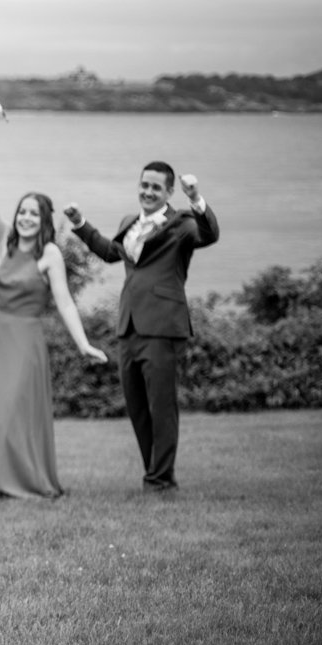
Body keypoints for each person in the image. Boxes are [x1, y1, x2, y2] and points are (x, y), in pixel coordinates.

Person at [0, 132, 107, 499]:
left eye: (33, 214)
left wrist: (83, 343)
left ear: (44, 220)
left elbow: (65, 302)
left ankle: (19, 479)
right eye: (22, 211)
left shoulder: (50, 254)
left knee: (13, 409)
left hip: (25, 340)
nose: (25, 218)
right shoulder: (4, 238)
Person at [65, 162, 219, 492]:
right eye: (144, 185)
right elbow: (110, 253)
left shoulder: (182, 224)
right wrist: (80, 223)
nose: (148, 192)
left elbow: (209, 235)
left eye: (156, 187)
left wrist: (197, 199)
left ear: (168, 192)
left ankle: (161, 479)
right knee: (137, 407)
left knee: (161, 407)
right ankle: (154, 471)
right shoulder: (129, 222)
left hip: (163, 326)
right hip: (129, 326)